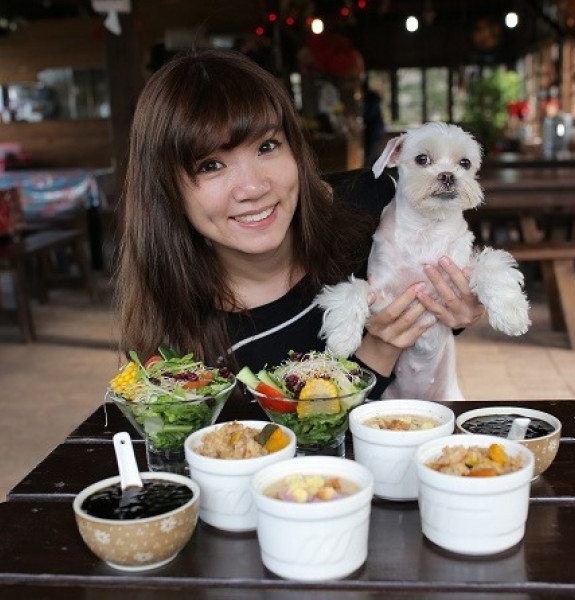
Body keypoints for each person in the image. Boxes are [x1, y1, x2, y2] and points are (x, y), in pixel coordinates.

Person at [116, 49, 484, 421]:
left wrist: (459, 308)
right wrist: (377, 353)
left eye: (267, 146)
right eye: (211, 165)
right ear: (165, 189)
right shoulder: (182, 354)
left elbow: (439, 295)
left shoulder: (375, 202)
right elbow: (278, 451)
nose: (253, 187)